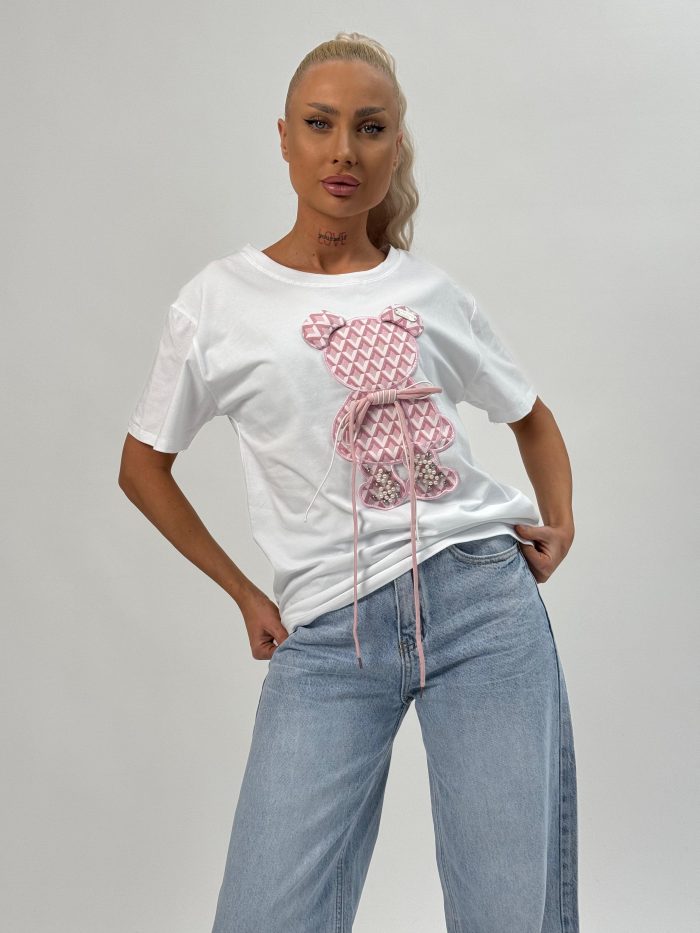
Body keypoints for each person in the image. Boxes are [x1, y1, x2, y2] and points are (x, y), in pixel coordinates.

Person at [118, 31, 579, 933]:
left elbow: (530, 415)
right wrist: (244, 591)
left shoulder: (431, 294)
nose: (343, 150)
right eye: (319, 124)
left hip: (483, 606)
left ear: (394, 146)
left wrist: (559, 522)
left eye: (369, 128)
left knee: (507, 915)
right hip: (329, 633)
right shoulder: (218, 301)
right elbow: (143, 465)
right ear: (283, 138)